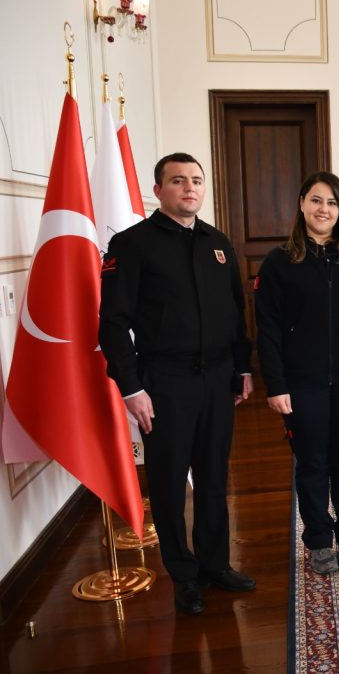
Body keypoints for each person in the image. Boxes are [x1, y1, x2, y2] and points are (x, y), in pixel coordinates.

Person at [99, 152, 256, 615]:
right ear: (158, 190)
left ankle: (215, 565)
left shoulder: (219, 244)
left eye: (196, 181)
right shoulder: (131, 245)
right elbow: (112, 324)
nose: (189, 188)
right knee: (168, 482)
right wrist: (131, 387)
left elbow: (235, 313)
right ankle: (184, 575)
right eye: (178, 181)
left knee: (212, 476)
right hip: (163, 383)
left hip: (215, 380)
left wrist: (242, 368)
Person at [254, 171, 339, 575]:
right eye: (316, 200)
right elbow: (268, 328)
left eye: (332, 203)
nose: (324, 209)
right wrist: (276, 384)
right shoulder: (281, 262)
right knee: (312, 463)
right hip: (303, 382)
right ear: (301, 204)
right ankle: (318, 540)